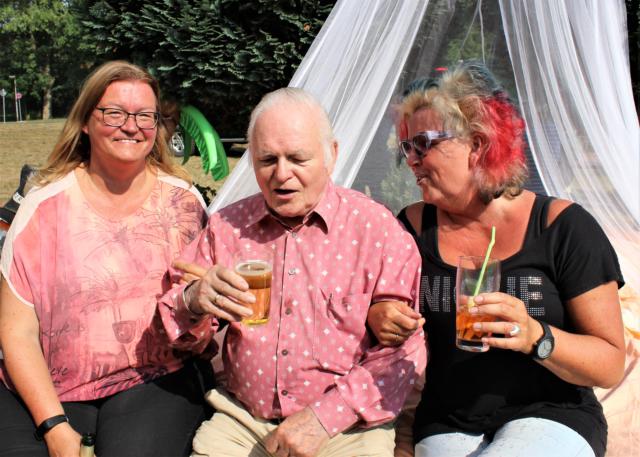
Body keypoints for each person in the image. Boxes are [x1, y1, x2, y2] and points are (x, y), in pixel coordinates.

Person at [367, 61, 626, 457]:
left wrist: (535, 336)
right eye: (407, 147)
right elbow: (370, 300)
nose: (412, 160)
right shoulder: (412, 229)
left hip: (553, 413)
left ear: (478, 144)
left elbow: (609, 363)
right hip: (448, 419)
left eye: (424, 143)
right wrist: (378, 313)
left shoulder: (562, 227)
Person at [157, 87, 427, 457]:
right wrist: (193, 302)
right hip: (243, 421)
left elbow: (404, 354)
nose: (282, 174)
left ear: (332, 155)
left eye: (298, 158)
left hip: (347, 427)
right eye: (268, 159)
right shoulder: (227, 228)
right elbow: (177, 329)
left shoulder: (376, 229)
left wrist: (322, 419)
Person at [0, 61, 214, 457]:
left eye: (145, 116)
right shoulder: (44, 208)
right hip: (51, 387)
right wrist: (53, 426)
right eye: (114, 113)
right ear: (85, 121)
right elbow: (17, 332)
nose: (131, 126)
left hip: (152, 379)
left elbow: (202, 319)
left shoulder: (184, 205)